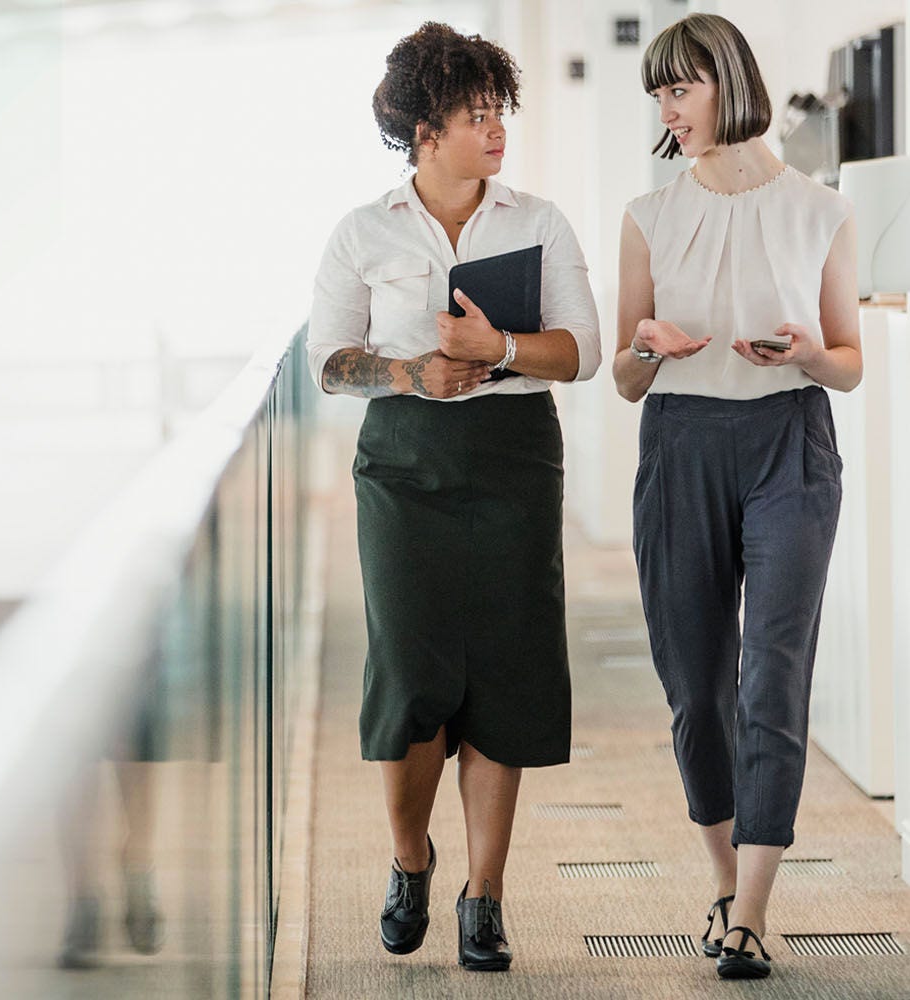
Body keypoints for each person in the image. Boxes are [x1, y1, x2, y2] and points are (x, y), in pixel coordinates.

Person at [307, 22, 600, 972]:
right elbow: (327, 362)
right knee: (410, 672)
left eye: (499, 111)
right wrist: (407, 373)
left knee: (506, 671)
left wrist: (499, 352)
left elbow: (582, 351)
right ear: (425, 129)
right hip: (404, 465)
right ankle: (410, 857)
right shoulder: (363, 231)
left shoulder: (539, 221)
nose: (496, 129)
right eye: (477, 114)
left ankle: (485, 893)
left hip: (515, 457)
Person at [614, 13, 862, 981]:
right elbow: (625, 380)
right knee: (696, 686)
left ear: (726, 82)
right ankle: (721, 880)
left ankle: (752, 909)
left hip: (790, 440)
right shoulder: (649, 213)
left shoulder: (819, 207)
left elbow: (848, 361)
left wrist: (807, 351)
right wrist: (645, 347)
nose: (669, 110)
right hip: (678, 443)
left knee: (774, 675)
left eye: (681, 88)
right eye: (660, 95)